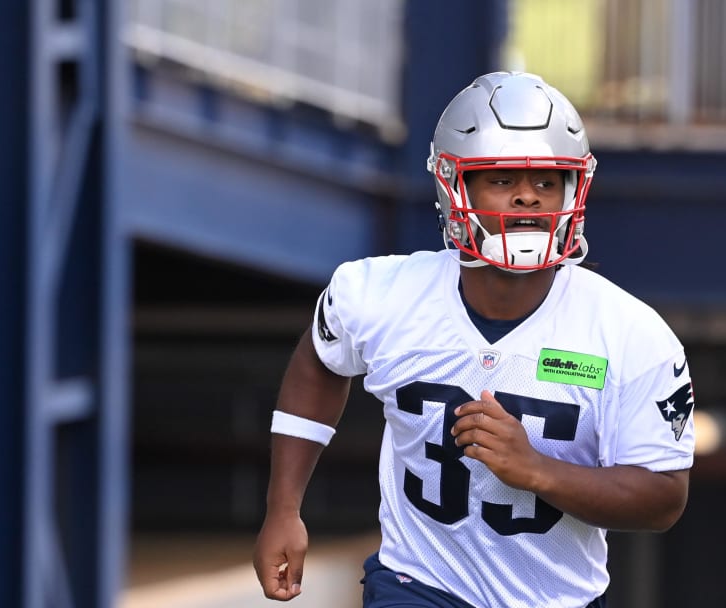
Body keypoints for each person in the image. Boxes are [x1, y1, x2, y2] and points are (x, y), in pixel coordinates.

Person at [252, 71, 696, 608]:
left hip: (557, 599)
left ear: (573, 189)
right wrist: (283, 508)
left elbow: (662, 498)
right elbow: (320, 361)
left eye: (547, 182)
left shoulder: (632, 334)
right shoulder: (379, 294)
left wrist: (537, 470)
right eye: (503, 180)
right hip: (419, 586)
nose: (528, 198)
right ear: (454, 187)